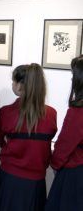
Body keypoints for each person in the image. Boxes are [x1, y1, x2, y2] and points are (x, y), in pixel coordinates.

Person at [0, 64, 57, 211]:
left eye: (14, 81)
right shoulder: (51, 114)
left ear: (21, 85)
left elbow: (1, 141)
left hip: (9, 178)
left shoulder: (5, 113)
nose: (12, 84)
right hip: (36, 182)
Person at [45, 57, 83, 211]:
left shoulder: (78, 112)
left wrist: (55, 163)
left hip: (75, 174)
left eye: (74, 76)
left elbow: (64, 144)